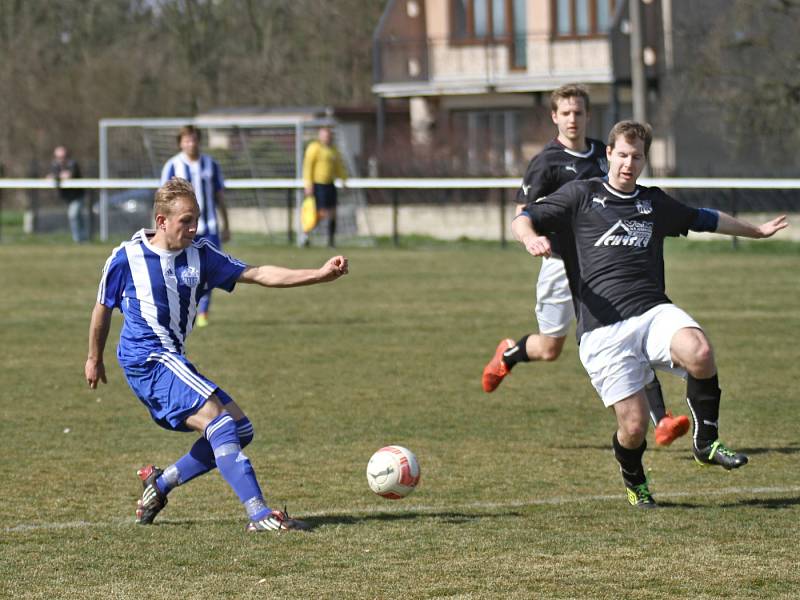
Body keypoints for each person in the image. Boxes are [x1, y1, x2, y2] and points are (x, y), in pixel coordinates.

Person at [512, 120, 787, 507]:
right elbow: (524, 217)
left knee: (700, 352)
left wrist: (755, 231)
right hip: (602, 330)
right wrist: (530, 237)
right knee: (634, 427)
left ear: (645, 159)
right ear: (608, 154)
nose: (628, 163)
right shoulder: (581, 196)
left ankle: (706, 442)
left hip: (651, 311)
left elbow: (704, 218)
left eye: (636, 156)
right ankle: (634, 479)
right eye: (621, 154)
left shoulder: (653, 202)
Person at [84, 178, 349, 531]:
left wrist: (317, 274)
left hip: (171, 359)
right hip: (146, 359)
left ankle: (159, 484)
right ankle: (258, 514)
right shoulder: (126, 257)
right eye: (185, 221)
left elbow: (258, 273)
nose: (193, 228)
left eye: (196, 219)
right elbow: (102, 307)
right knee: (218, 421)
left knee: (239, 429)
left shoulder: (201, 254)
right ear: (162, 221)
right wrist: (93, 357)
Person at [481, 84, 690, 447]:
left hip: (603, 264)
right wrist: (533, 238)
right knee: (549, 349)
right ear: (554, 117)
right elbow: (521, 213)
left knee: (626, 323)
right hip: (560, 264)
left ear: (588, 115)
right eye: (566, 113)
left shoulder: (603, 154)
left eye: (578, 112)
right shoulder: (545, 162)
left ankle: (662, 419)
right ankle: (511, 354)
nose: (573, 119)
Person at [160, 125, 230, 327]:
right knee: (179, 270)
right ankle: (181, 308)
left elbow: (219, 196)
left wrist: (226, 223)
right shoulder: (173, 166)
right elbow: (163, 200)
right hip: (180, 228)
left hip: (209, 227)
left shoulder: (211, 165)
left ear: (199, 141)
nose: (191, 143)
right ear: (180, 143)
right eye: (186, 140)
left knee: (210, 271)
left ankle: (203, 311)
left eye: (194, 139)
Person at [303, 125, 348, 247]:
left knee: (333, 213)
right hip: (318, 185)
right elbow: (308, 167)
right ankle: (306, 233)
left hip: (330, 184)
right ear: (320, 136)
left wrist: (343, 180)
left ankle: (331, 241)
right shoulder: (314, 148)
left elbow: (338, 167)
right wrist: (308, 184)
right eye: (324, 135)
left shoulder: (333, 150)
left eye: (328, 135)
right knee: (321, 213)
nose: (326, 138)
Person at [47, 145, 87, 243]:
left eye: (63, 157)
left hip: (77, 196)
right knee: (77, 217)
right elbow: (51, 176)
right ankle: (84, 238)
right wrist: (58, 176)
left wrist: (56, 176)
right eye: (58, 157)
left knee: (73, 215)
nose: (61, 159)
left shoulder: (73, 164)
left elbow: (68, 175)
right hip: (67, 197)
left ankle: (78, 239)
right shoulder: (55, 165)